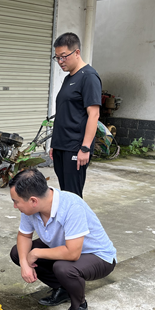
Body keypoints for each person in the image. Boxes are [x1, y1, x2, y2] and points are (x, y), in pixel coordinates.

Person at [8, 169, 116, 310]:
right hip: (63, 249)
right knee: (18, 253)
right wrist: (24, 263)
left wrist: (36, 253)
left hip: (98, 256)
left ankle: (79, 306)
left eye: (16, 202)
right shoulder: (30, 209)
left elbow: (72, 253)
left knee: (64, 268)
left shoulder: (71, 206)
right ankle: (63, 289)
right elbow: (24, 236)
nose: (15, 206)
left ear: (33, 200)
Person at [50, 32, 102, 198]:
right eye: (57, 57)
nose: (60, 61)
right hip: (61, 145)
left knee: (73, 195)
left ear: (77, 52)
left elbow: (94, 115)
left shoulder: (89, 77)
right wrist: (55, 144)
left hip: (75, 147)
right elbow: (65, 113)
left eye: (64, 56)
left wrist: (85, 148)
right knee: (65, 194)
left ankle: (78, 217)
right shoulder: (69, 78)